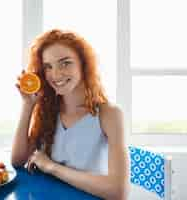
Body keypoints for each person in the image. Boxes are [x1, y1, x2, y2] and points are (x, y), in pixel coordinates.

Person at [11, 29, 129, 200]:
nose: (56, 74)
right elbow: (18, 160)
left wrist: (52, 167)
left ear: (84, 64)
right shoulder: (48, 110)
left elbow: (118, 192)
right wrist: (28, 105)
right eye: (48, 67)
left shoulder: (109, 114)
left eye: (65, 63)